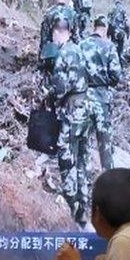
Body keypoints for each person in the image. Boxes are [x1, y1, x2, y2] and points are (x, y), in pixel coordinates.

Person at [48, 15, 92, 226]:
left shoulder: (63, 54)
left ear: (58, 32)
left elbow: (59, 88)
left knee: (65, 154)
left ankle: (70, 201)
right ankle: (84, 203)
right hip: (86, 109)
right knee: (83, 156)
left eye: (54, 34)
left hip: (72, 110)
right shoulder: (79, 49)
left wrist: (47, 93)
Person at [80, 14, 122, 171]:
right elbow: (116, 76)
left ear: (94, 27)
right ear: (105, 29)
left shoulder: (82, 45)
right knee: (105, 143)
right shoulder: (109, 46)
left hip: (83, 98)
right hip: (102, 98)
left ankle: (83, 180)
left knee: (82, 141)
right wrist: (105, 83)